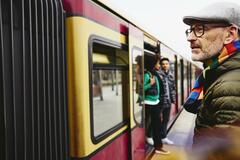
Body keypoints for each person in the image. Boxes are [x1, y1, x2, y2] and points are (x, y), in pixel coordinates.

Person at [183, 2, 240, 148]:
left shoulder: (230, 85)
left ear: (230, 34)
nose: (190, 37)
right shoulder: (218, 74)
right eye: (190, 30)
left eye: (199, 29)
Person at [144, 55, 170, 154]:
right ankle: (158, 147)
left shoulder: (154, 74)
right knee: (155, 125)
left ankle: (158, 146)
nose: (159, 65)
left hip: (155, 102)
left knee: (156, 126)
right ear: (153, 64)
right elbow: (140, 89)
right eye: (158, 63)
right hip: (149, 103)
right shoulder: (147, 75)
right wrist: (150, 84)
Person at [157, 57, 176, 145]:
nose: (165, 65)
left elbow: (173, 88)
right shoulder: (158, 75)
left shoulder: (171, 75)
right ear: (161, 65)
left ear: (169, 65)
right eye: (163, 64)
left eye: (166, 64)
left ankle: (164, 137)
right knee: (156, 120)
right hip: (160, 102)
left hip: (168, 101)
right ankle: (155, 137)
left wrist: (173, 99)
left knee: (165, 119)